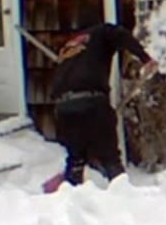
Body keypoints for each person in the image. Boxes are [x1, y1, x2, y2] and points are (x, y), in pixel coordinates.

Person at [49, 23, 156, 186]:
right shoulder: (102, 31)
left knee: (76, 159)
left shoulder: (69, 47)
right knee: (109, 156)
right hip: (92, 100)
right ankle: (124, 196)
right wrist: (145, 58)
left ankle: (70, 198)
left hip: (63, 108)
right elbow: (120, 35)